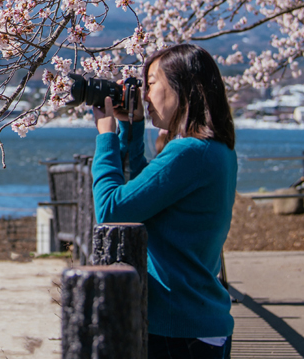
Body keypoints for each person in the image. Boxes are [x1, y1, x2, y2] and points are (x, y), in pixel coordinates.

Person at [92, 43, 237, 359]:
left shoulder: (188, 152)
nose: (144, 96)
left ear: (183, 87)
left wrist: (105, 137)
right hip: (198, 319)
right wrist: (131, 129)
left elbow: (111, 210)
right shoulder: (215, 150)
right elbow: (150, 194)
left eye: (152, 83)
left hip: (178, 327)